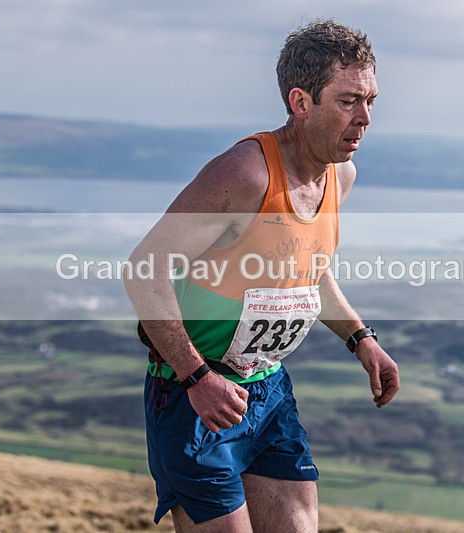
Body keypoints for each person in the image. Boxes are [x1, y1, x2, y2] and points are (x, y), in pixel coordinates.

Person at [124, 20, 400, 532]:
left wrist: (361, 338)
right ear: (301, 102)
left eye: (370, 101)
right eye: (347, 101)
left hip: (267, 389)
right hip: (196, 395)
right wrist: (197, 378)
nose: (364, 118)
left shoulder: (340, 175)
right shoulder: (245, 175)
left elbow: (308, 271)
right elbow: (144, 271)